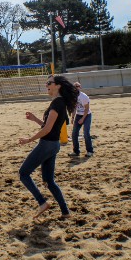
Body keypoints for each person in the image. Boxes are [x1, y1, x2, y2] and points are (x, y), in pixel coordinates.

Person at [18, 75, 78, 219]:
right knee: (49, 181)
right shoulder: (60, 103)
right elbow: (49, 126)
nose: (47, 85)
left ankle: (42, 202)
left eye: (49, 83)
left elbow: (47, 130)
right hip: (54, 145)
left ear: (58, 86)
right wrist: (35, 119)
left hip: (47, 145)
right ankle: (65, 212)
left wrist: (29, 139)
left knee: (23, 173)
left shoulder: (57, 104)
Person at [68, 81, 94, 158]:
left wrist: (83, 119)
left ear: (80, 87)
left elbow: (87, 108)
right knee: (74, 134)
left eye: (77, 86)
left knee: (86, 133)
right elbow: (74, 108)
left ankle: (90, 151)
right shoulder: (73, 96)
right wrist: (73, 117)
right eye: (75, 86)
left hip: (87, 115)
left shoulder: (84, 96)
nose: (76, 88)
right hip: (78, 115)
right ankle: (76, 151)